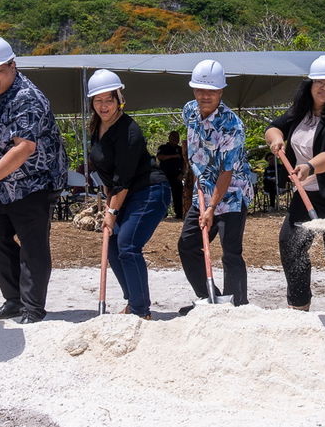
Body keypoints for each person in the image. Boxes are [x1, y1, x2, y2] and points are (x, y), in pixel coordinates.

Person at [0, 36, 66, 325]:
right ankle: (13, 300)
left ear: (13, 65)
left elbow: (24, 148)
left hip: (35, 181)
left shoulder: (28, 97)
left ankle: (33, 307)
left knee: (32, 243)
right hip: (2, 181)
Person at [265, 55, 325, 314]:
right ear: (309, 84)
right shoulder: (300, 112)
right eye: (320, 82)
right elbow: (274, 127)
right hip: (307, 193)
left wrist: (309, 167)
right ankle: (299, 305)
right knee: (291, 245)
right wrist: (276, 140)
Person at [86, 70, 170, 319]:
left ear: (119, 98)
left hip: (150, 191)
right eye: (98, 100)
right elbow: (108, 176)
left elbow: (122, 179)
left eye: (109, 99)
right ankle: (133, 301)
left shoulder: (129, 131)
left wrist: (112, 212)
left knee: (128, 245)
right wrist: (108, 207)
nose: (104, 106)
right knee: (113, 246)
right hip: (124, 193)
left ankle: (141, 310)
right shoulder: (96, 127)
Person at [176, 59, 254, 311]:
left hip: (230, 194)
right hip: (204, 191)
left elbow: (226, 172)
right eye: (199, 89)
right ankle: (210, 299)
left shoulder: (232, 126)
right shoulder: (189, 110)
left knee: (230, 252)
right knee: (188, 245)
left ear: (221, 91)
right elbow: (191, 143)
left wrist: (210, 208)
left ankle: (237, 307)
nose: (204, 95)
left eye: (210, 91)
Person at [156, 129, 185, 219]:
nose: (175, 139)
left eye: (177, 137)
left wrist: (182, 173)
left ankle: (179, 214)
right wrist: (174, 156)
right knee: (164, 195)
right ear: (169, 138)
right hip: (165, 175)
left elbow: (185, 162)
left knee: (178, 195)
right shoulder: (163, 147)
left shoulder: (180, 149)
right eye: (174, 137)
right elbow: (160, 157)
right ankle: (163, 214)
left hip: (177, 176)